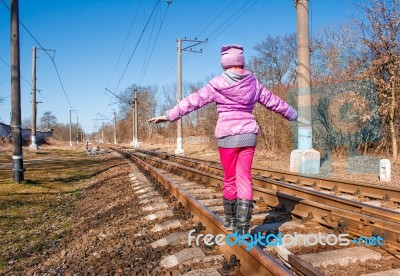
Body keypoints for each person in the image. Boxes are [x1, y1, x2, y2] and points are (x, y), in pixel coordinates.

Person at [149, 44, 305, 235]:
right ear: (241, 61)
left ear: (224, 63)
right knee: (244, 179)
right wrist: (294, 114)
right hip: (248, 135)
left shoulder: (217, 84)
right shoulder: (253, 83)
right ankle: (244, 226)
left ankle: (231, 220)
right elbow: (274, 102)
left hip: (227, 136)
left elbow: (193, 101)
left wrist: (170, 115)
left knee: (229, 179)